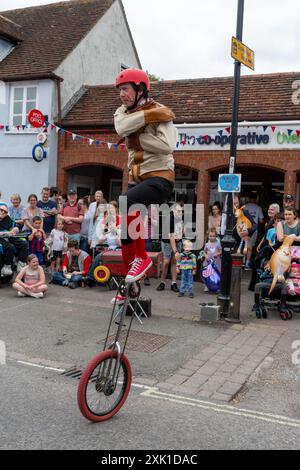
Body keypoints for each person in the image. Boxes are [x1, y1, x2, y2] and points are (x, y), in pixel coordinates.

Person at [114, 68, 176, 304]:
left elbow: (168, 145)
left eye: (126, 89)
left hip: (160, 178)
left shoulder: (162, 112)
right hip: (137, 177)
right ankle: (130, 284)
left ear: (140, 89)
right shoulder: (123, 112)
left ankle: (143, 258)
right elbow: (121, 128)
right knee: (125, 230)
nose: (122, 94)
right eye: (120, 90)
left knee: (125, 202)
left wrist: (137, 136)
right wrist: (148, 119)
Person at [156, 203, 183, 293]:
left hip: (177, 241)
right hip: (167, 242)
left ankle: (173, 283)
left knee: (174, 261)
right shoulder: (169, 219)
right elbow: (171, 237)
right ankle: (162, 282)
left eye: (181, 211)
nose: (180, 213)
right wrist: (176, 252)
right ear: (173, 211)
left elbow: (181, 229)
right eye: (178, 211)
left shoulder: (180, 218)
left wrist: (181, 235)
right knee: (166, 262)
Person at [0, 203, 28, 276]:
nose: (3, 212)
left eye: (5, 212)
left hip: (8, 236)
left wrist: (15, 229)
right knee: (10, 247)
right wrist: (5, 233)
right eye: (1, 210)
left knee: (24, 243)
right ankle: (7, 266)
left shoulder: (7, 218)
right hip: (1, 238)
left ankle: (21, 264)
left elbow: (16, 227)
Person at [203, 227, 222, 292]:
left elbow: (221, 251)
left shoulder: (218, 243)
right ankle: (207, 285)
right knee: (208, 273)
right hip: (208, 262)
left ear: (216, 236)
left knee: (216, 273)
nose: (212, 237)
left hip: (216, 261)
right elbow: (204, 251)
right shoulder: (207, 244)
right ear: (208, 236)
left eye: (213, 236)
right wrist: (206, 256)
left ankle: (217, 286)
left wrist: (218, 254)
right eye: (210, 236)